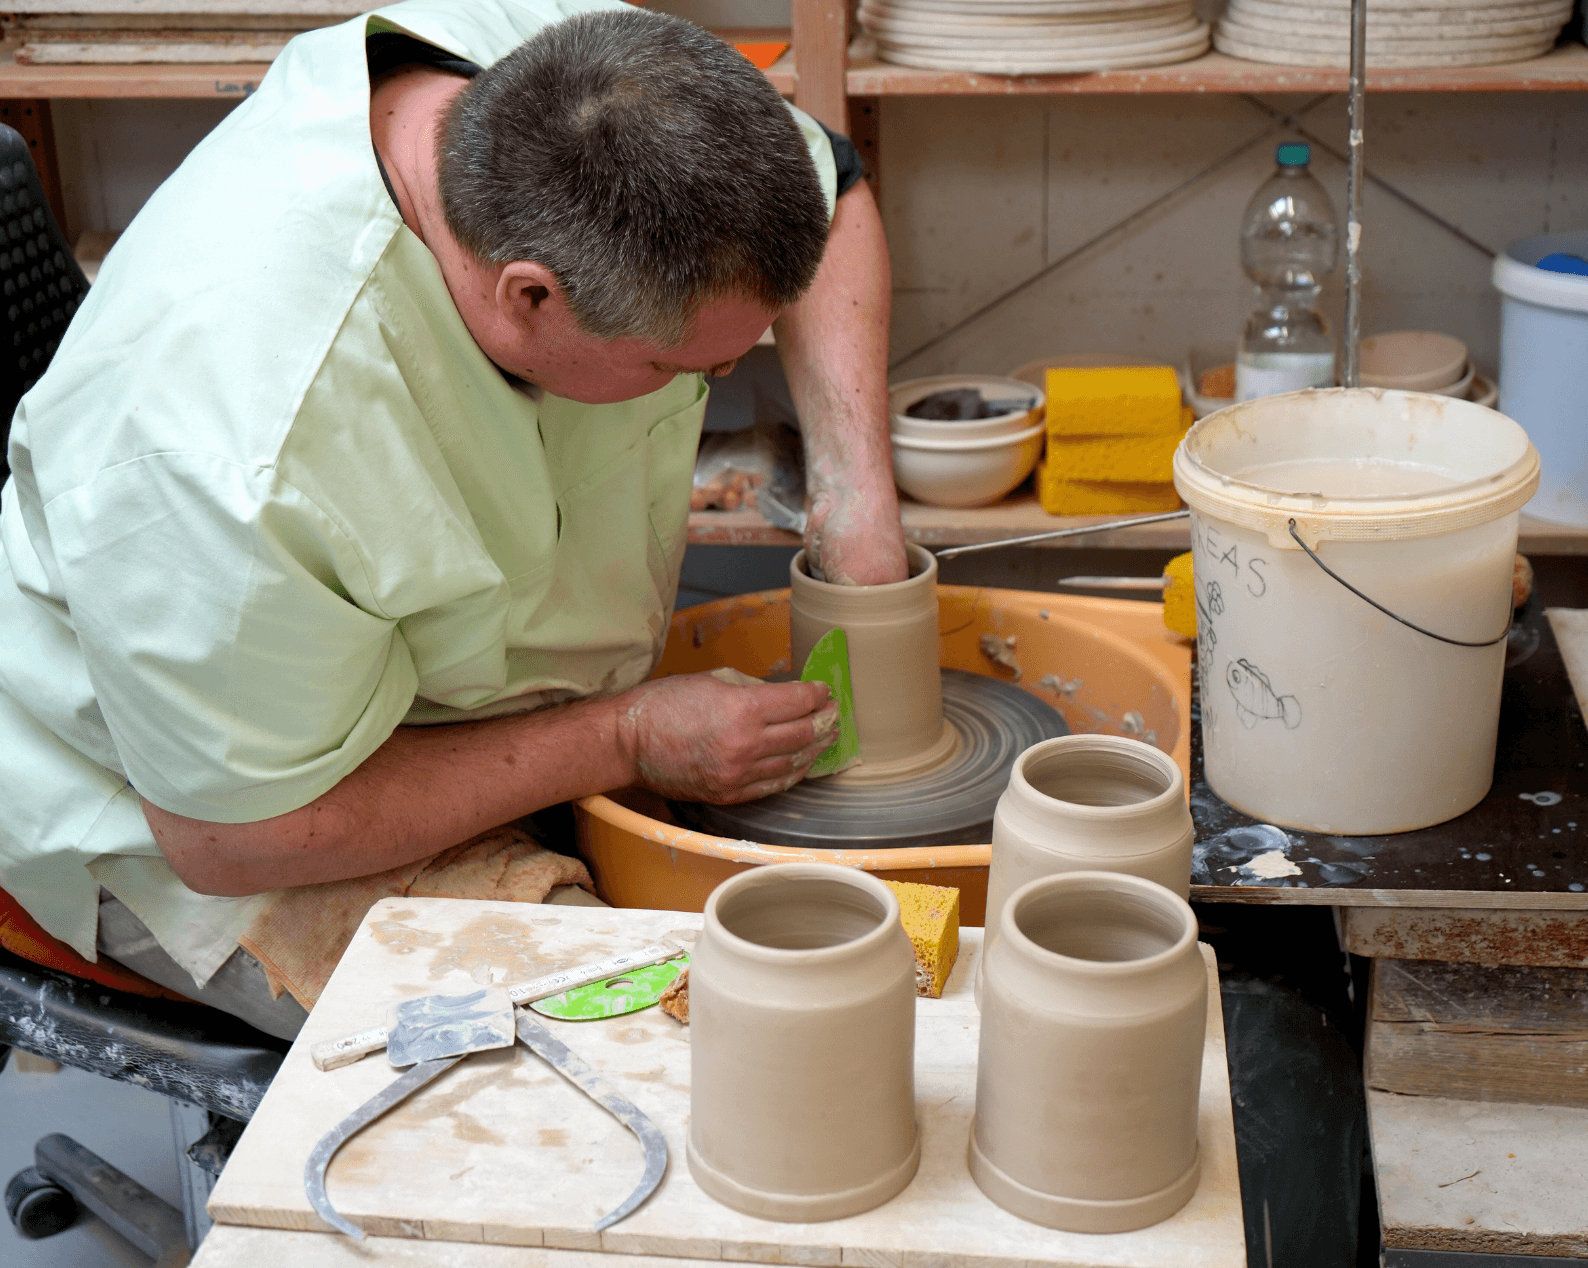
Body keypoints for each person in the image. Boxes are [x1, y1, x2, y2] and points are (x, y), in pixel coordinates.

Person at [0, 0, 906, 1037]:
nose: (718, 376)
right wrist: (626, 734)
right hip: (200, 804)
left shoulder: (586, 76)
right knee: (628, 1042)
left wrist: (854, 491)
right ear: (530, 297)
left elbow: (826, 187)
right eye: (679, 365)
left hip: (463, 686)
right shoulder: (237, 444)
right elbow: (240, 831)